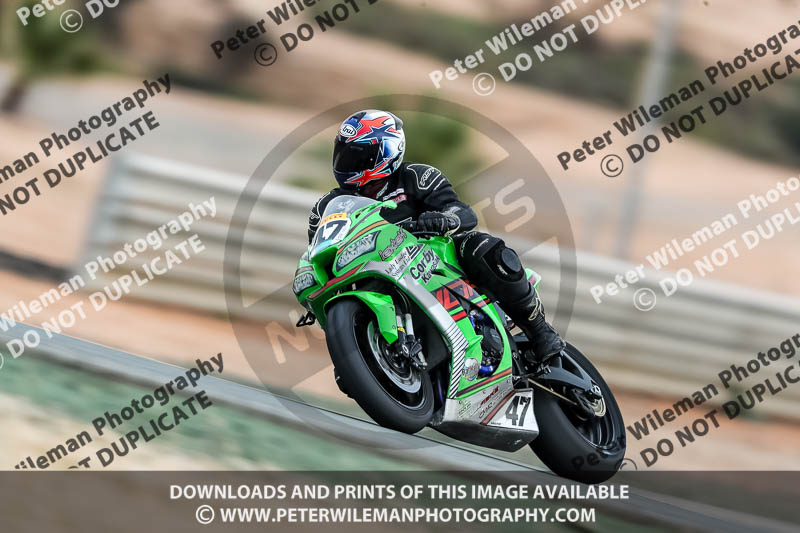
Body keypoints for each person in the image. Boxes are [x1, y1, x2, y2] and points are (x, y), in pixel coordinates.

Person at [307, 110, 564, 361]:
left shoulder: (417, 176)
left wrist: (444, 219)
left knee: (482, 247)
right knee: (345, 371)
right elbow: (319, 247)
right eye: (344, 154)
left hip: (431, 257)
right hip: (372, 269)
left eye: (358, 156)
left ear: (386, 153)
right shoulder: (327, 206)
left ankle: (541, 332)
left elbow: (462, 212)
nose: (348, 163)